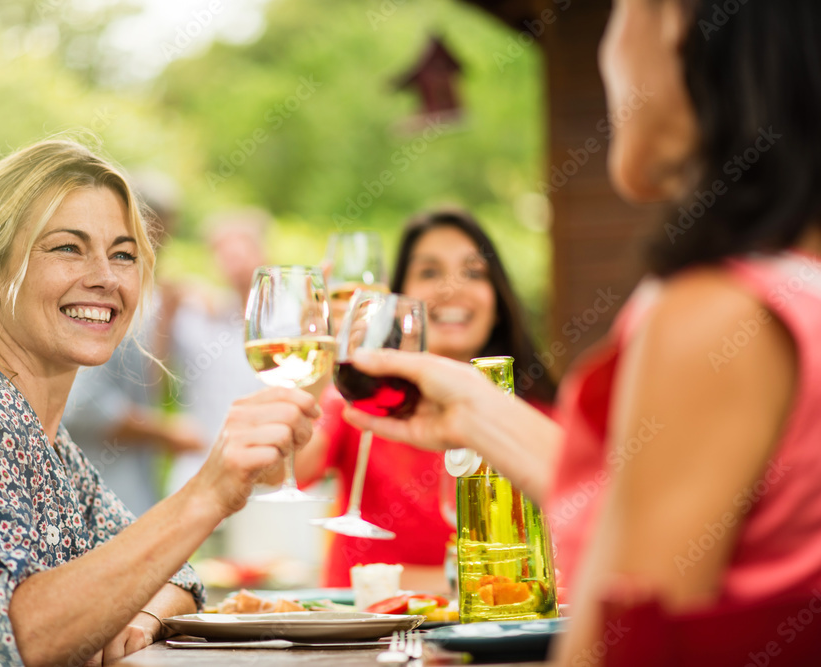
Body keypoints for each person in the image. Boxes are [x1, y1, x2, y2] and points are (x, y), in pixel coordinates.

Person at [339, 0, 821, 663]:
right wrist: (476, 409)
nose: (607, 57)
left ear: (672, 22)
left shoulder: (717, 314)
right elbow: (635, 515)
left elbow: (629, 639)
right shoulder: (795, 288)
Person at [0, 139, 317, 666]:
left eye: (123, 254)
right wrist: (209, 492)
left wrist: (138, 616)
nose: (105, 277)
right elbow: (9, 641)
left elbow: (178, 574)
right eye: (67, 248)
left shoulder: (50, 445)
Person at [296, 208, 557, 589]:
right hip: (368, 638)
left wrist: (442, 584)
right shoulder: (362, 402)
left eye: (473, 272)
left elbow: (567, 551)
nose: (452, 290)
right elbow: (283, 470)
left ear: (498, 301)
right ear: (397, 301)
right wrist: (316, 360)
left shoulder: (535, 417)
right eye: (430, 272)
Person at [62, 172, 204, 517]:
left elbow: (143, 383)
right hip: (99, 496)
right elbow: (83, 405)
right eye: (156, 230)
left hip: (138, 492)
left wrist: (166, 322)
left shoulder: (151, 299)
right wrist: (164, 433)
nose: (161, 244)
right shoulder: (97, 297)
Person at [160, 210, 269, 496]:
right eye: (223, 253)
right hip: (198, 470)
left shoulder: (288, 324)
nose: (233, 261)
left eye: (240, 250)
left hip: (264, 477)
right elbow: (155, 375)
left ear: (262, 252)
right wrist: (169, 309)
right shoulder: (199, 317)